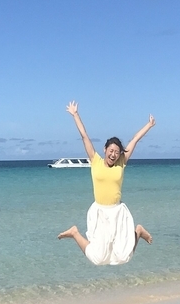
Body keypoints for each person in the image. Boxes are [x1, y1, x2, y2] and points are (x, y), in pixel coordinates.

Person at [57, 101, 155, 266]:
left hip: (117, 211)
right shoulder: (95, 160)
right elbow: (84, 136)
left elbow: (135, 140)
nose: (114, 154)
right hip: (99, 212)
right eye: (111, 150)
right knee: (99, 258)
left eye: (117, 152)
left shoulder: (121, 162)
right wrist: (75, 114)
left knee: (123, 257)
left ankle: (138, 231)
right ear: (105, 149)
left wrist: (149, 125)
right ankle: (74, 233)